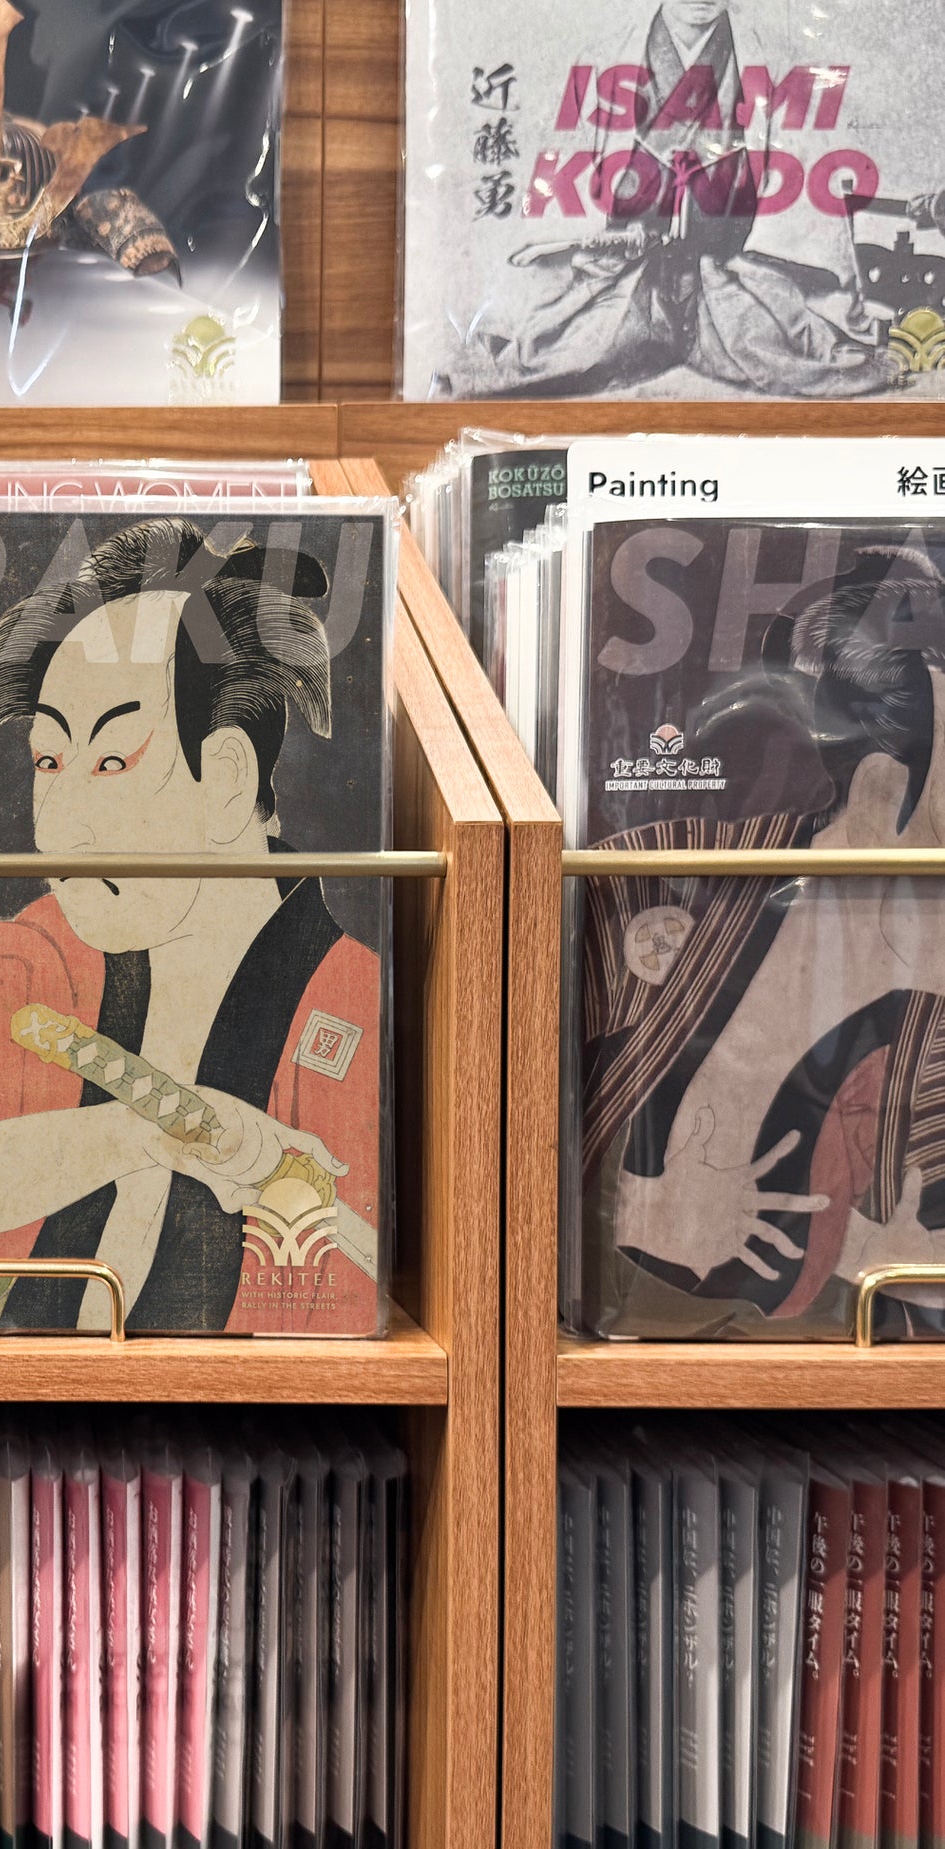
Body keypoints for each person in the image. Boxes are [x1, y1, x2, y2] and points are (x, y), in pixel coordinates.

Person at [0, 517, 381, 1333]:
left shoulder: (352, 1007)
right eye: (49, 762)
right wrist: (147, 1134)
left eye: (110, 762)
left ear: (227, 778)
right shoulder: (44, 957)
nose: (59, 827)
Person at [583, 545, 945, 1335]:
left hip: (846, 1367)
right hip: (608, 1343)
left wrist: (889, 1270)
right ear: (880, 780)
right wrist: (641, 1215)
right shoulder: (657, 876)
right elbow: (514, 1110)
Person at [441, 0, 900, 398]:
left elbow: (801, 204)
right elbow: (565, 187)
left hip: (728, 272)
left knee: (777, 352)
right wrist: (604, 233)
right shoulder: (607, 56)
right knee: (567, 356)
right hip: (627, 273)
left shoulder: (772, 63)